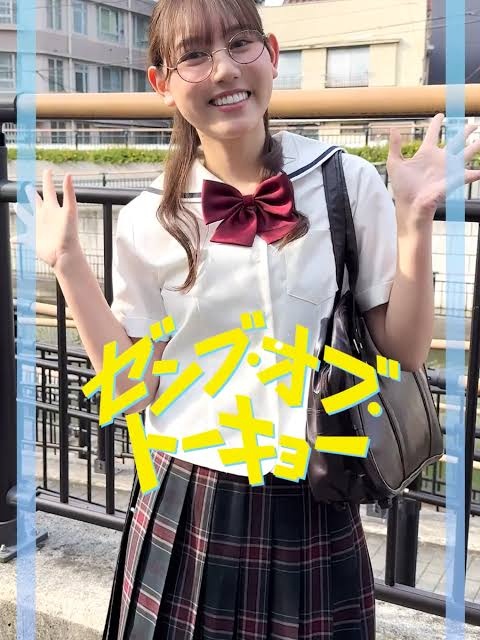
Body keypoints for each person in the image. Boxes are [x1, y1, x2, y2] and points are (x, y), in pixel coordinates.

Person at [32, 0, 480, 638]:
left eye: (240, 44)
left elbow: (405, 351)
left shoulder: (345, 182)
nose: (223, 69)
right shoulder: (146, 219)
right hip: (187, 492)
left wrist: (413, 220)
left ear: (270, 54)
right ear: (161, 83)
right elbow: (134, 387)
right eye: (194, 55)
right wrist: (69, 264)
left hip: (313, 488)